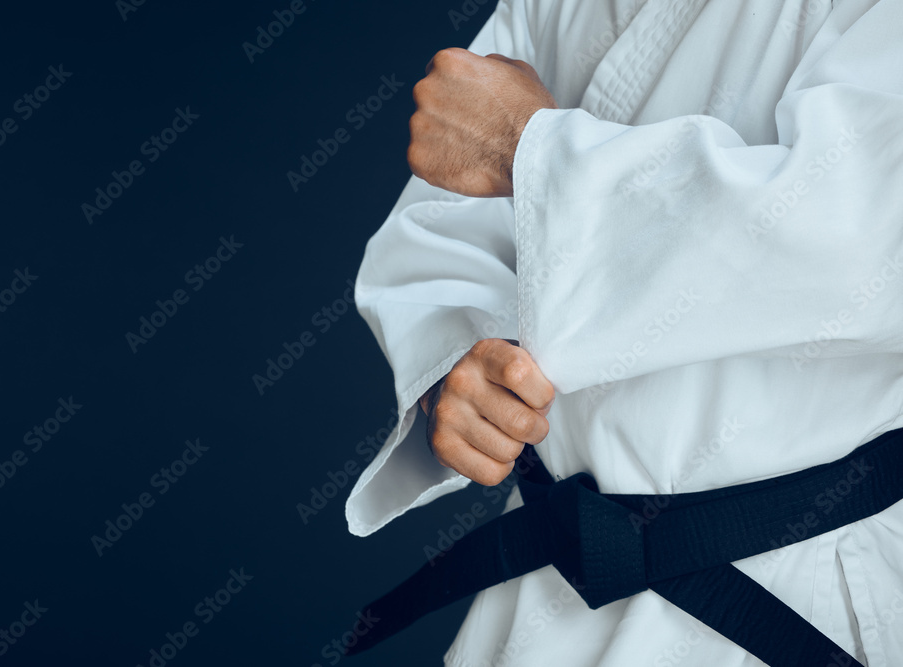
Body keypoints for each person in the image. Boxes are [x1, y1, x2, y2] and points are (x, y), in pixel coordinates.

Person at [346, 0, 903, 664]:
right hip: (543, 595)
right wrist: (466, 361)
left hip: (787, 593)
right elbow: (450, 200)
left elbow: (860, 241)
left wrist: (529, 146)